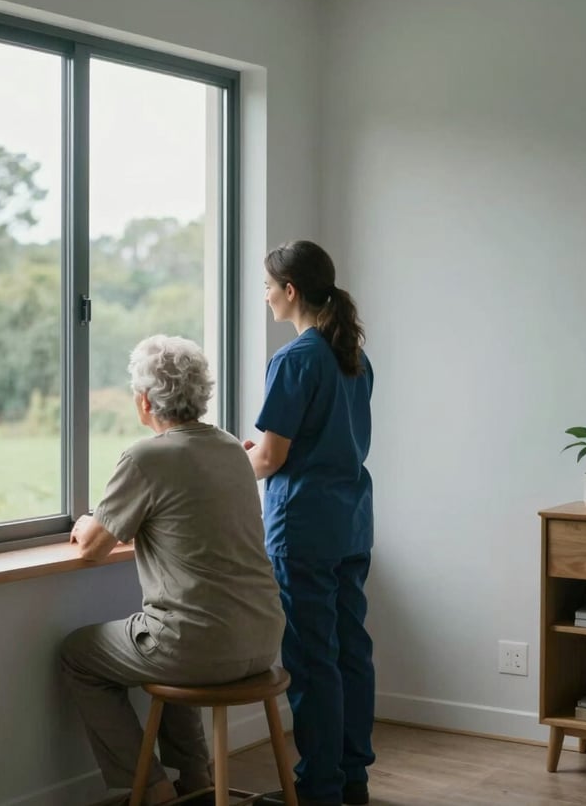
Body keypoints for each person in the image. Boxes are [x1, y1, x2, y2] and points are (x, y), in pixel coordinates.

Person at [62, 335, 285, 806]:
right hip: (263, 638)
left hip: (197, 647)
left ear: (144, 400)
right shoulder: (230, 448)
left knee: (78, 654)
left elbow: (92, 550)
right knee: (176, 633)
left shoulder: (147, 457)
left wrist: (85, 524)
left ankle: (153, 789)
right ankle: (195, 779)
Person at [244, 241, 375, 806]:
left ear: (290, 290)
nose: (266, 297)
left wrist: (234, 459)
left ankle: (317, 788)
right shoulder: (353, 355)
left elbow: (270, 458)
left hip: (302, 527)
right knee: (351, 650)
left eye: (269, 287)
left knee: (311, 657)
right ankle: (351, 779)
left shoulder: (296, 358)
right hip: (350, 520)